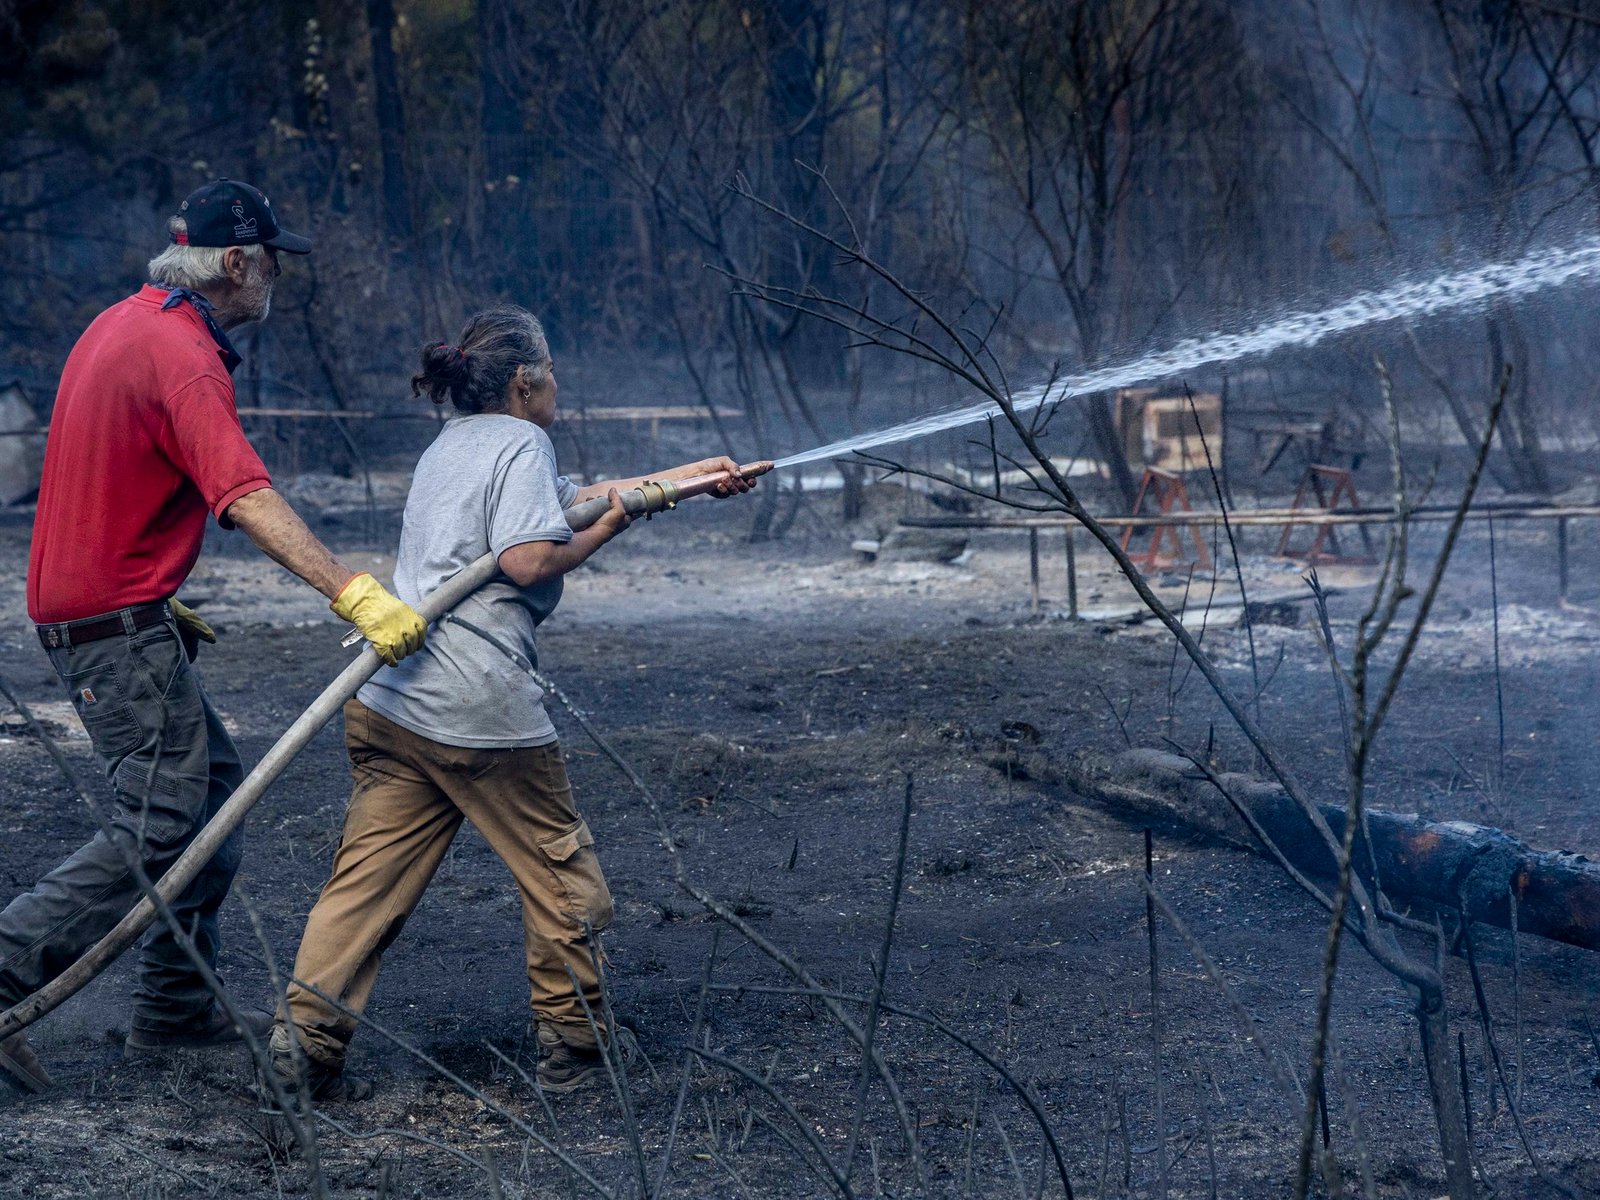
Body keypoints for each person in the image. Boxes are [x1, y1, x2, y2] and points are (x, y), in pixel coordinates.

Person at [0, 179, 428, 1095]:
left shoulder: (123, 321)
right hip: (109, 626)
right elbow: (245, 496)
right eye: (271, 258)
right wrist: (354, 593)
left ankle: (174, 1011)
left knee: (213, 803)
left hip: (107, 610)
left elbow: (95, 466)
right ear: (236, 262)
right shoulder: (184, 355)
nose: (276, 275)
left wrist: (140, 583)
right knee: (161, 823)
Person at [269, 304, 755, 1100]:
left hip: (394, 701)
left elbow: (576, 498)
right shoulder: (524, 440)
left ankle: (303, 1051)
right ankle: (576, 1047)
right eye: (553, 372)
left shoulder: (450, 446)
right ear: (525, 382)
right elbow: (531, 557)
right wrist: (631, 512)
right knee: (561, 872)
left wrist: (685, 482)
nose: (558, 385)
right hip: (478, 708)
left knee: (364, 885)